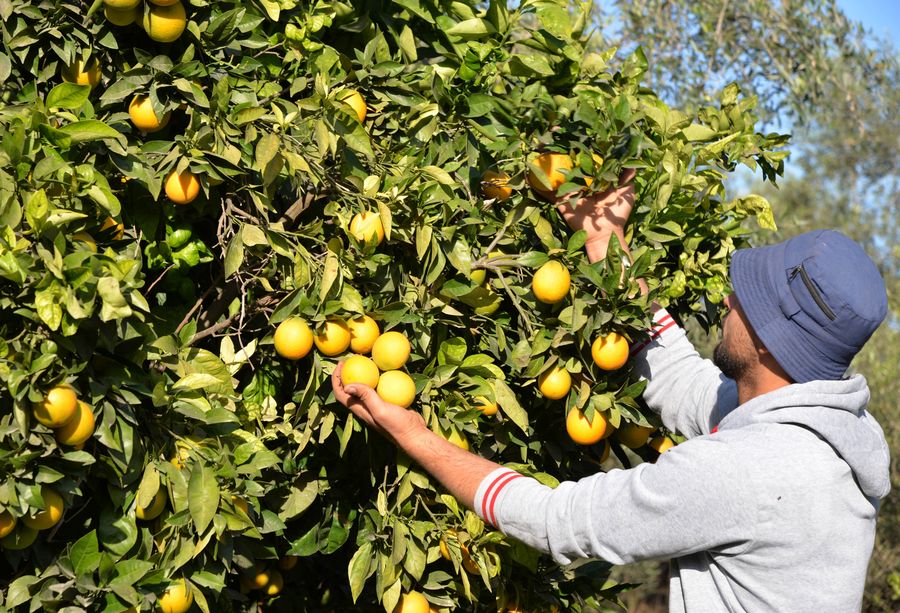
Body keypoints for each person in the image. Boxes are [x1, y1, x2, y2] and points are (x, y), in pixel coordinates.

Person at [331, 175, 890, 612]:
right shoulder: (821, 433)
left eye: (746, 301)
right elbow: (681, 379)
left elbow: (555, 520)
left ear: (770, 337)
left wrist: (414, 434)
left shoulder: (745, 471)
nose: (728, 301)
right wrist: (605, 240)